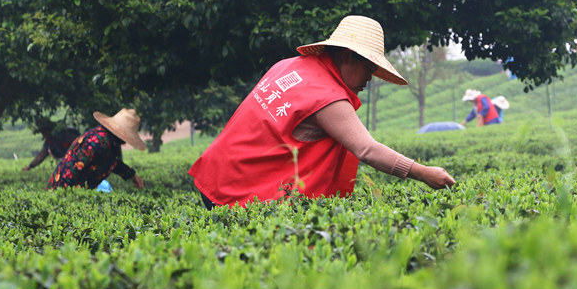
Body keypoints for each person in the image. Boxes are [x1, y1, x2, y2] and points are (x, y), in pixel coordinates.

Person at [189, 15, 455, 208]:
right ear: (347, 56)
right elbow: (367, 150)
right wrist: (424, 173)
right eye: (369, 68)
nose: (370, 78)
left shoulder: (289, 66)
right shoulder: (326, 96)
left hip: (217, 174)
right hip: (237, 190)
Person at [47, 108, 146, 190]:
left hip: (57, 185)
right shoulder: (103, 143)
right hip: (65, 189)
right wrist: (131, 175)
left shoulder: (100, 133)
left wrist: (132, 175)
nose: (125, 141)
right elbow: (111, 164)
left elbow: (113, 163)